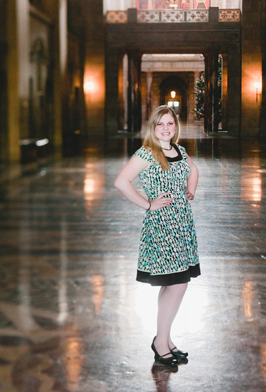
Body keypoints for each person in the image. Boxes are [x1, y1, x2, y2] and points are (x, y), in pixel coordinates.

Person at [114, 105, 201, 366]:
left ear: (176, 127)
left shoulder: (179, 151)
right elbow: (121, 182)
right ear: (153, 128)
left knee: (172, 283)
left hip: (182, 225)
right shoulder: (147, 153)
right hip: (163, 226)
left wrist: (190, 191)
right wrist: (148, 204)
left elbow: (193, 170)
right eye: (161, 124)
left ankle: (165, 339)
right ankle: (160, 341)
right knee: (178, 283)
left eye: (170, 124)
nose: (166, 128)